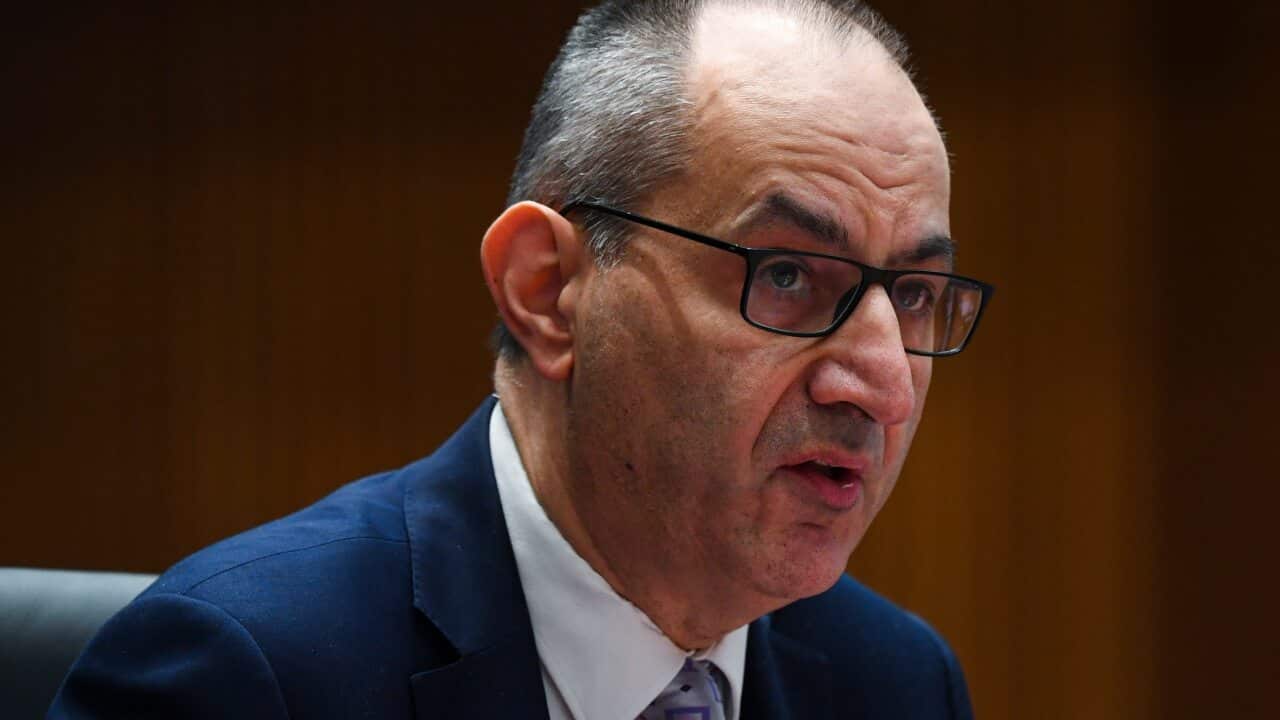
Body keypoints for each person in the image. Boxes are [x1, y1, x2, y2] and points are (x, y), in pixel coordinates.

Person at [50, 1, 992, 718]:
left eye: (912, 294)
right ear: (548, 290)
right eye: (787, 274)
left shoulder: (896, 683)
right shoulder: (244, 676)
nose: (879, 383)